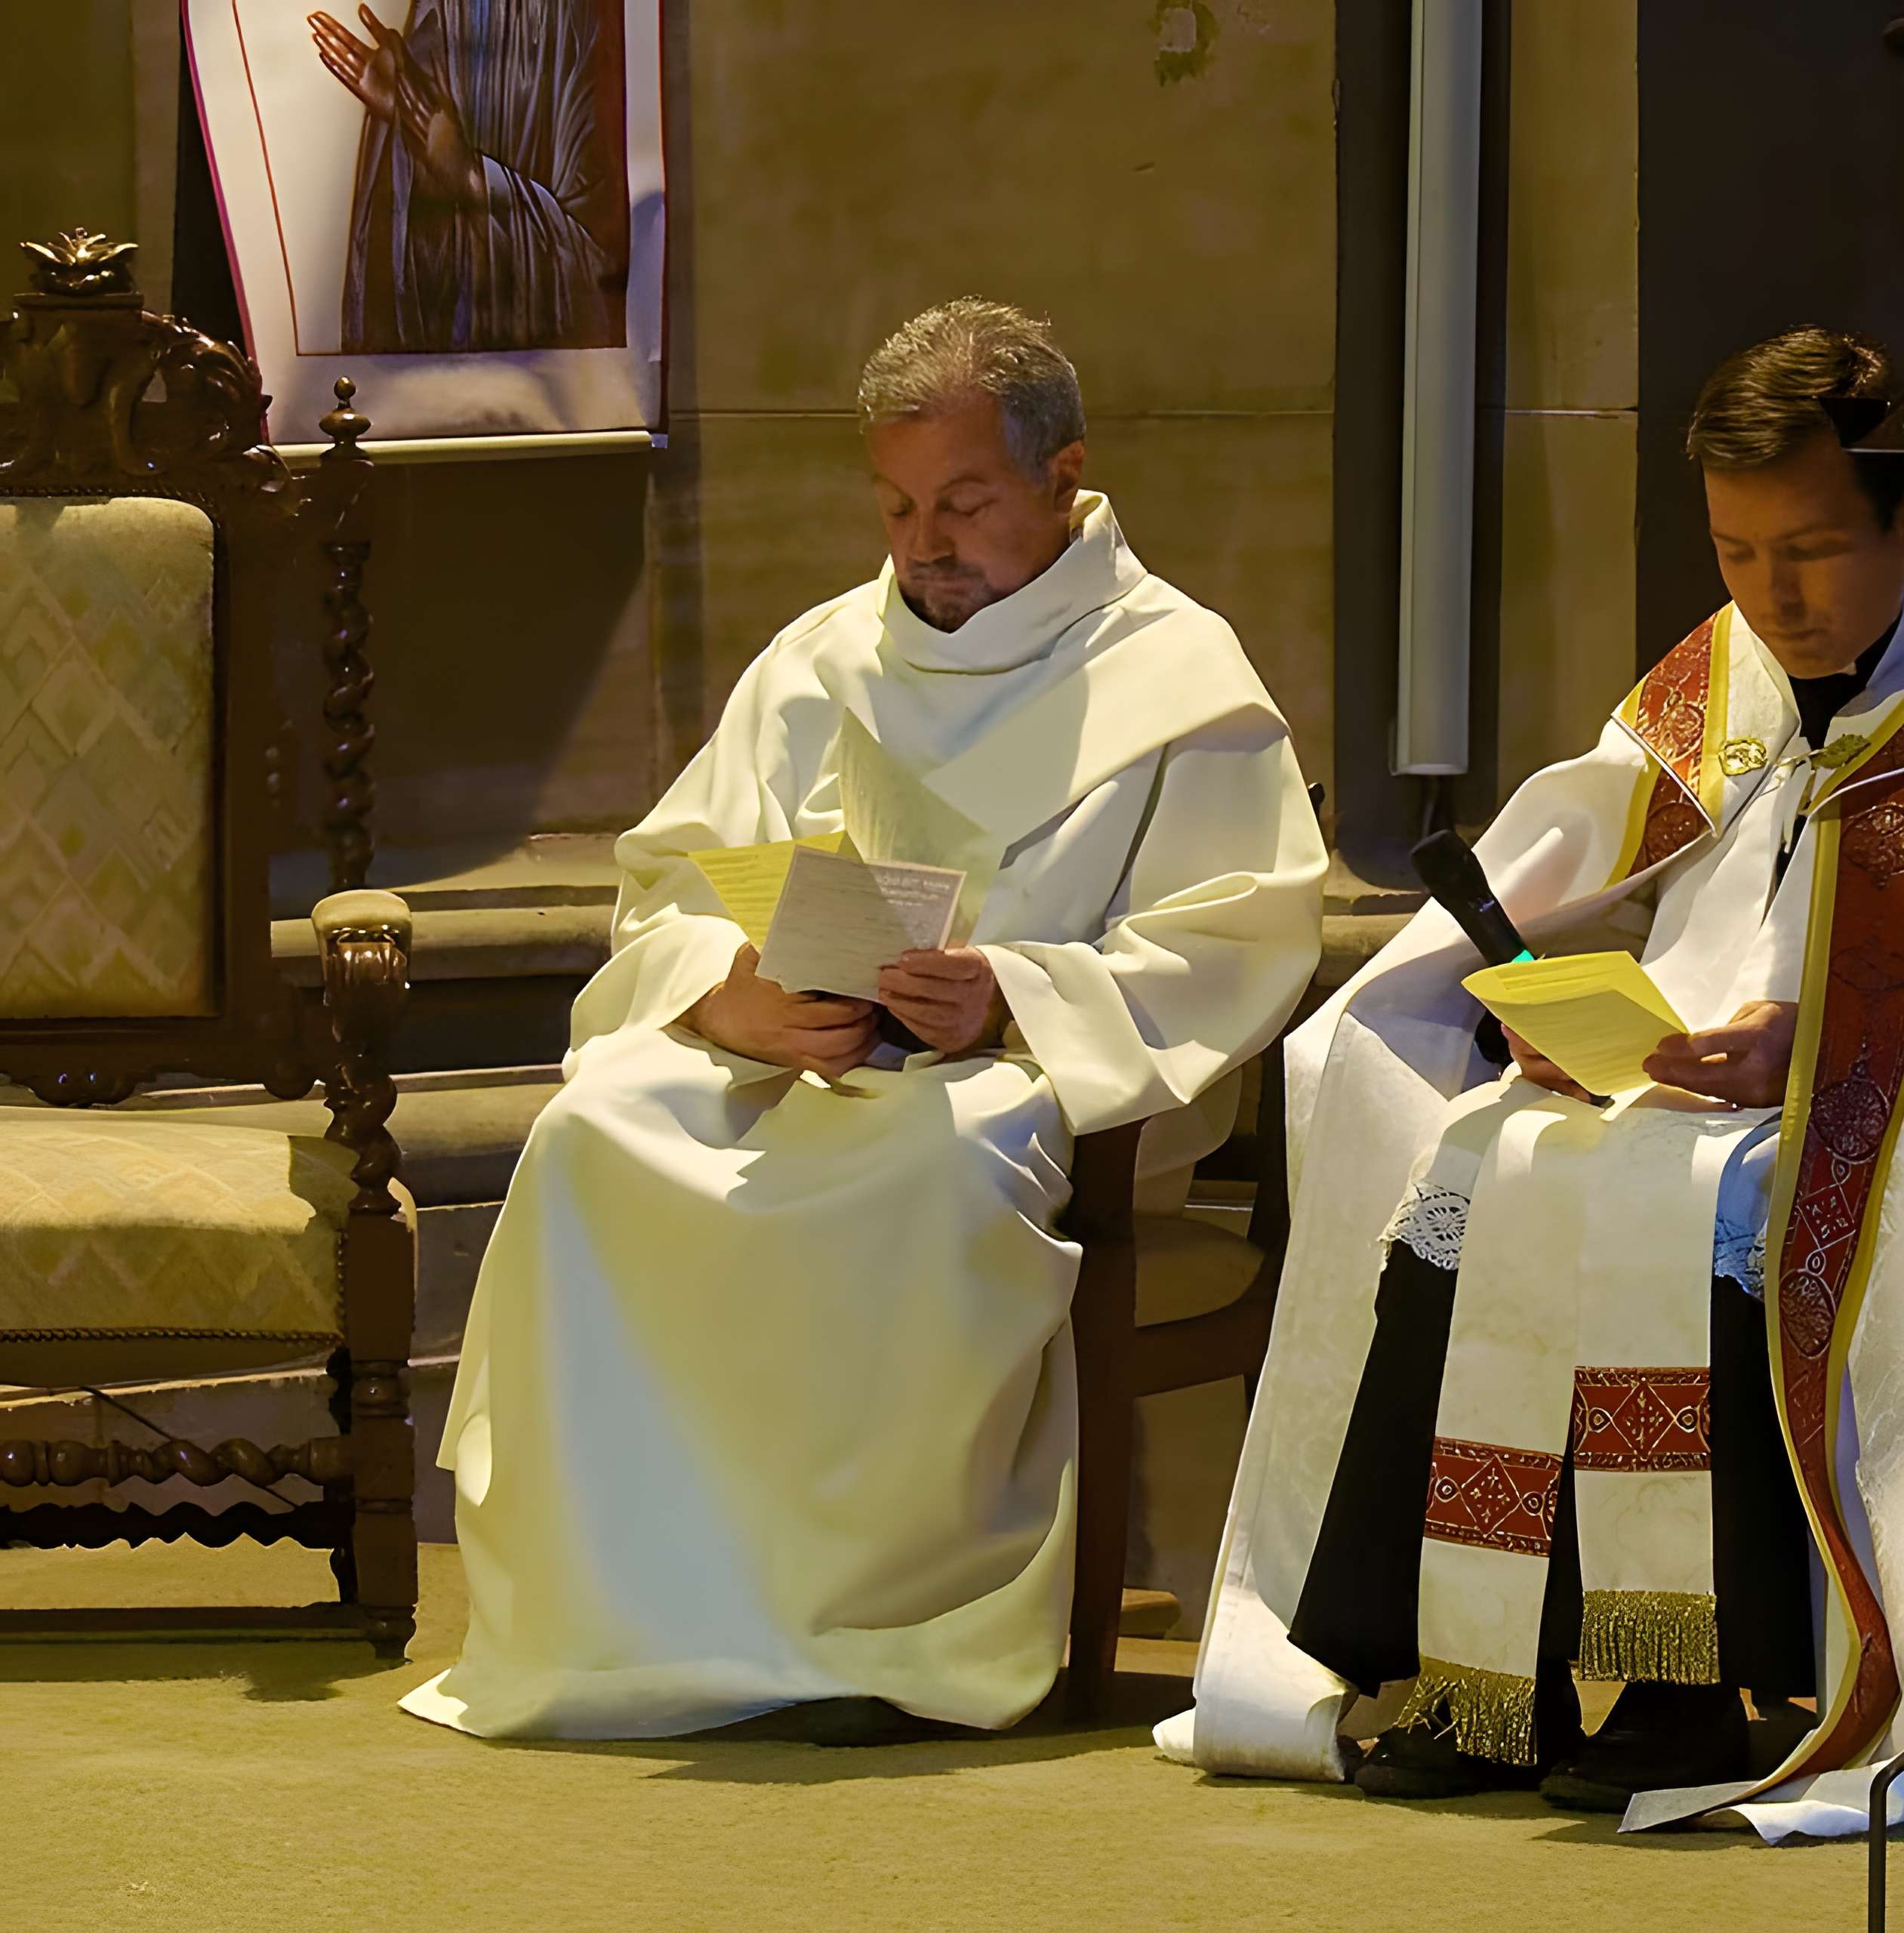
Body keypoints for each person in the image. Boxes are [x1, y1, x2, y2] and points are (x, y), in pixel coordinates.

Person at [1161, 326, 1904, 1837]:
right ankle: (1480, 1667)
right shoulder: (1728, 673)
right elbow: (1583, 857)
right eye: (1734, 551)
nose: (1772, 596)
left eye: (1813, 549)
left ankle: (1682, 1682)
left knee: (1678, 1192)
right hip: (1686, 1092)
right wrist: (1540, 997)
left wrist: (1828, 1051)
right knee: (1486, 1154)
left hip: (1889, 1144)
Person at [402, 299, 1325, 1740]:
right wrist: (729, 995)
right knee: (596, 1129)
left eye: (964, 503)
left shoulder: (1180, 679)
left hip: (1031, 1084)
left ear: (1062, 477)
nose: (923, 545)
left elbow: (1235, 938)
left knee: (929, 1169)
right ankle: (636, 1612)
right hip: (800, 1058)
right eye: (896, 506)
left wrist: (1013, 991)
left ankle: (879, 1631)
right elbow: (671, 883)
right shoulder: (824, 660)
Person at [310, 0, 628, 352]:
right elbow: (402, 298)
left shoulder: (582, 24)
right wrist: (404, 132)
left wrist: (470, 178)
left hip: (541, 392)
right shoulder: (442, 12)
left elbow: (603, 283)